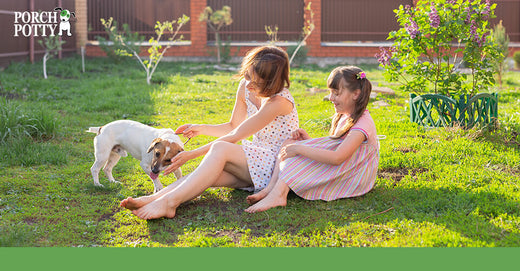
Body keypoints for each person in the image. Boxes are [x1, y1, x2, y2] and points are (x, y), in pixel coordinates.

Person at [120, 46, 299, 219]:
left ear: (272, 83)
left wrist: (191, 155)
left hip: (276, 165)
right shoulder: (245, 87)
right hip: (254, 162)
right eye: (247, 76)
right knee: (206, 175)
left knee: (221, 148)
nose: (249, 84)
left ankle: (168, 203)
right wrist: (201, 128)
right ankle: (154, 198)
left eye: (257, 82)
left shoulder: (279, 102)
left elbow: (236, 136)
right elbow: (233, 126)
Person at [245, 66, 379, 213]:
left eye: (336, 93)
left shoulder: (362, 124)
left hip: (352, 176)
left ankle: (279, 195)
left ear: (356, 94)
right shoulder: (344, 115)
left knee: (297, 154)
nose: (331, 98)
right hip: (343, 165)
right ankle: (270, 188)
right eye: (330, 93)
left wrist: (300, 148)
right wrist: (307, 140)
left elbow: (337, 157)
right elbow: (333, 145)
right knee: (290, 143)